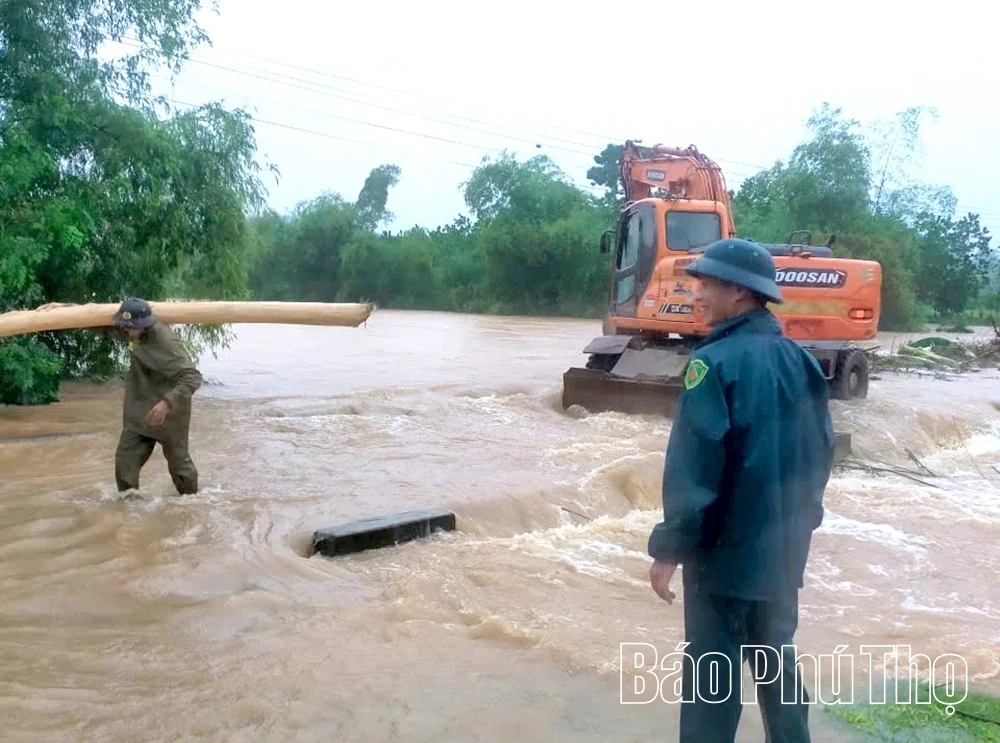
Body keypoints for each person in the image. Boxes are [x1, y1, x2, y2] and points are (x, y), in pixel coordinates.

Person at [646, 238, 835, 743]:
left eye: (705, 283)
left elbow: (695, 469)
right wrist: (801, 528)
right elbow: (821, 455)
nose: (696, 293)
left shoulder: (713, 365)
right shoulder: (804, 363)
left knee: (712, 682)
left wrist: (669, 549)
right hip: (783, 551)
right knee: (778, 668)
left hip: (723, 558)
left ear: (738, 292)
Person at [37, 297, 203, 494]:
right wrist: (64, 308)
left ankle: (191, 503)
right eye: (124, 326)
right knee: (125, 462)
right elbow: (99, 324)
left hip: (170, 413)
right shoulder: (131, 329)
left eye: (129, 327)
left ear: (144, 325)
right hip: (139, 407)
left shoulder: (165, 341)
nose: (125, 330)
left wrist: (166, 403)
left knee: (179, 467)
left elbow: (192, 377)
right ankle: (128, 509)